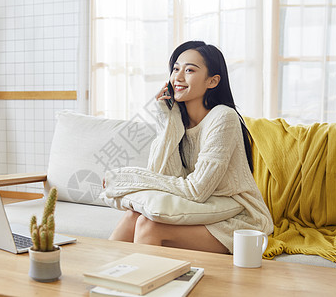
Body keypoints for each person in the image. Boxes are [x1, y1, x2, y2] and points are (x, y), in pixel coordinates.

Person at [102, 41, 273, 254]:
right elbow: (163, 175)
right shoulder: (180, 122)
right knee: (133, 216)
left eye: (190, 70)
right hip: (203, 208)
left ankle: (145, 284)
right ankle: (107, 280)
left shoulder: (223, 117)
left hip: (238, 218)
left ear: (213, 81)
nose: (178, 77)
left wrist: (128, 178)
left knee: (149, 227)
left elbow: (196, 190)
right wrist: (168, 119)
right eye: (176, 69)